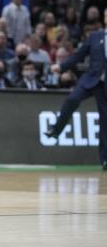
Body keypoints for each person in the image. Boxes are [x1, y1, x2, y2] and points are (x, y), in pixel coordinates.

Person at [45, 9, 107, 169]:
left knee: (105, 121)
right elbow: (78, 55)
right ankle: (56, 130)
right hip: (91, 79)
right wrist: (61, 66)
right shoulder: (95, 36)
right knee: (72, 99)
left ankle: (105, 160)